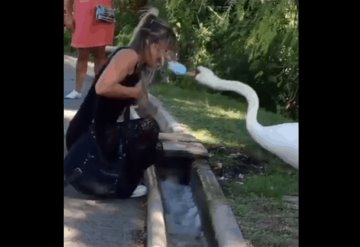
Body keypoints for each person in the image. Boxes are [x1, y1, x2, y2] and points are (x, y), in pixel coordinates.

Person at [64, 7, 178, 198]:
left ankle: (118, 173)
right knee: (149, 128)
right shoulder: (128, 55)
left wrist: (140, 94)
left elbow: (135, 102)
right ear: (151, 43)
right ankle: (124, 186)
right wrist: (134, 91)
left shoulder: (138, 64)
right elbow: (102, 87)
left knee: (147, 137)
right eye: (164, 50)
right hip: (87, 135)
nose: (165, 57)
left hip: (99, 132)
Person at [64, 0, 115, 99]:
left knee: (101, 54)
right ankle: (77, 90)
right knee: (82, 53)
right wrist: (68, 16)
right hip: (83, 16)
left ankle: (97, 89)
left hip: (103, 13)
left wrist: (112, 12)